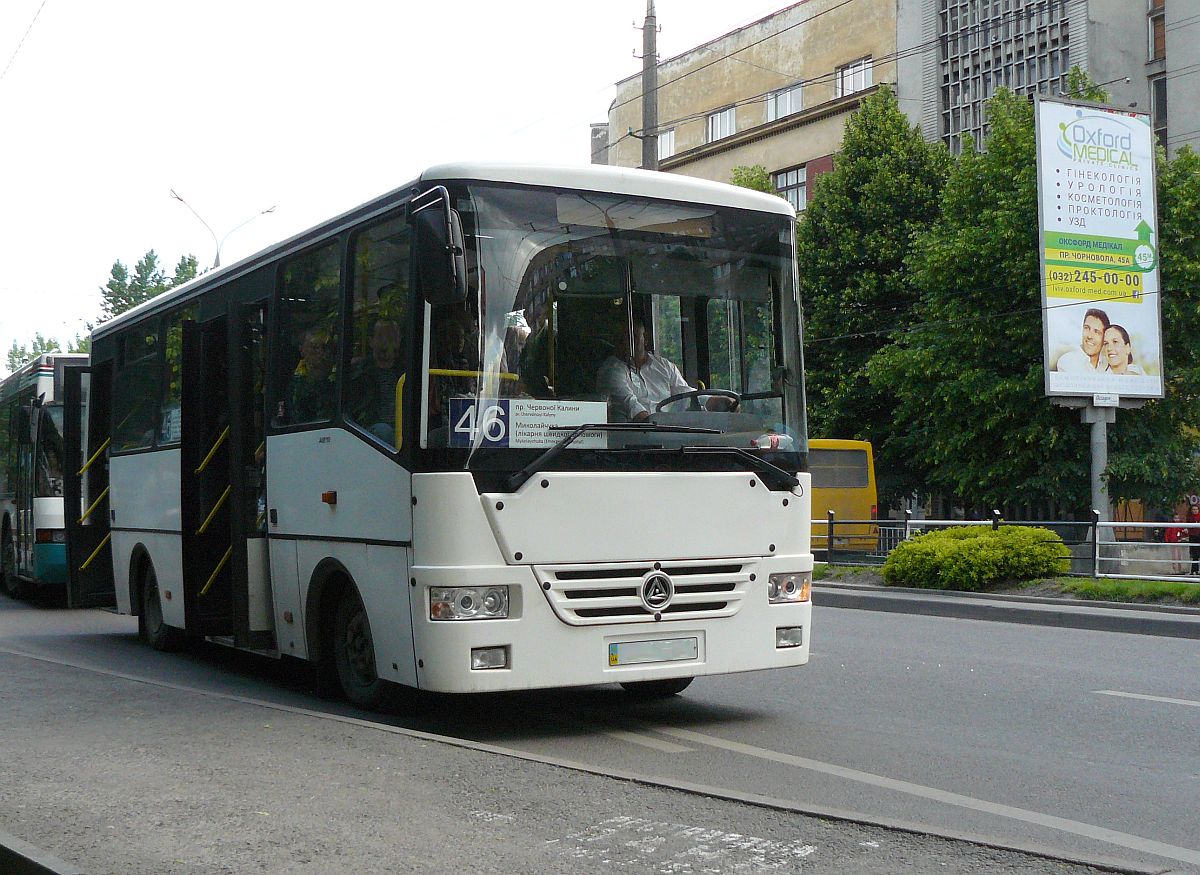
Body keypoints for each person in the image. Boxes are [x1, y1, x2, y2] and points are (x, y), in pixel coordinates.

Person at [597, 319, 735, 422]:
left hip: (667, 434)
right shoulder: (611, 371)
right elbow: (630, 404)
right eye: (622, 338)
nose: (627, 342)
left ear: (646, 339)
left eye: (633, 336)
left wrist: (715, 401)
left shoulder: (664, 366)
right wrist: (655, 425)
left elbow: (685, 394)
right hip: (631, 438)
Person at [348, 319, 404, 444]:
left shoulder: (407, 370)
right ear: (371, 341)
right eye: (382, 336)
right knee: (384, 431)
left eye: (392, 336)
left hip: (402, 428)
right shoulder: (359, 371)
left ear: (399, 340)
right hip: (370, 429)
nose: (388, 342)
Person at [282, 327, 335, 424]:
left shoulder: (338, 378)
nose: (321, 352)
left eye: (325, 347)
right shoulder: (293, 384)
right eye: (314, 347)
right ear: (302, 350)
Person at [1055, 308, 1109, 372]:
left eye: (1096, 332)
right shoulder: (1067, 362)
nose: (1089, 336)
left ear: (1104, 338)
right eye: (1086, 328)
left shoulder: (1107, 364)